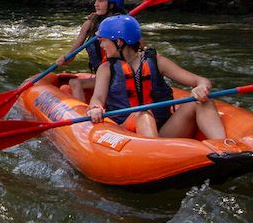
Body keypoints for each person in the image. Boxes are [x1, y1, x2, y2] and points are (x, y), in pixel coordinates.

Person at [84, 14, 225, 140]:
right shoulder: (106, 69)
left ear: (119, 42)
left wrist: (201, 87)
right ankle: (156, 154)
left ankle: (223, 147)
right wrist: (95, 107)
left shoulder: (156, 61)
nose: (101, 45)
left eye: (103, 40)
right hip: (126, 133)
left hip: (163, 131)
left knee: (202, 101)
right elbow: (98, 97)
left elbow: (200, 80)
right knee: (143, 114)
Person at [63, 0, 126, 102]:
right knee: (71, 83)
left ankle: (82, 117)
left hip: (120, 74)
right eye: (96, 0)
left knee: (75, 83)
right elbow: (75, 49)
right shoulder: (90, 23)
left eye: (101, 1)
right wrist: (66, 57)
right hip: (102, 73)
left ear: (112, 4)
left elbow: (138, 47)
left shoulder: (122, 24)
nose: (96, 4)